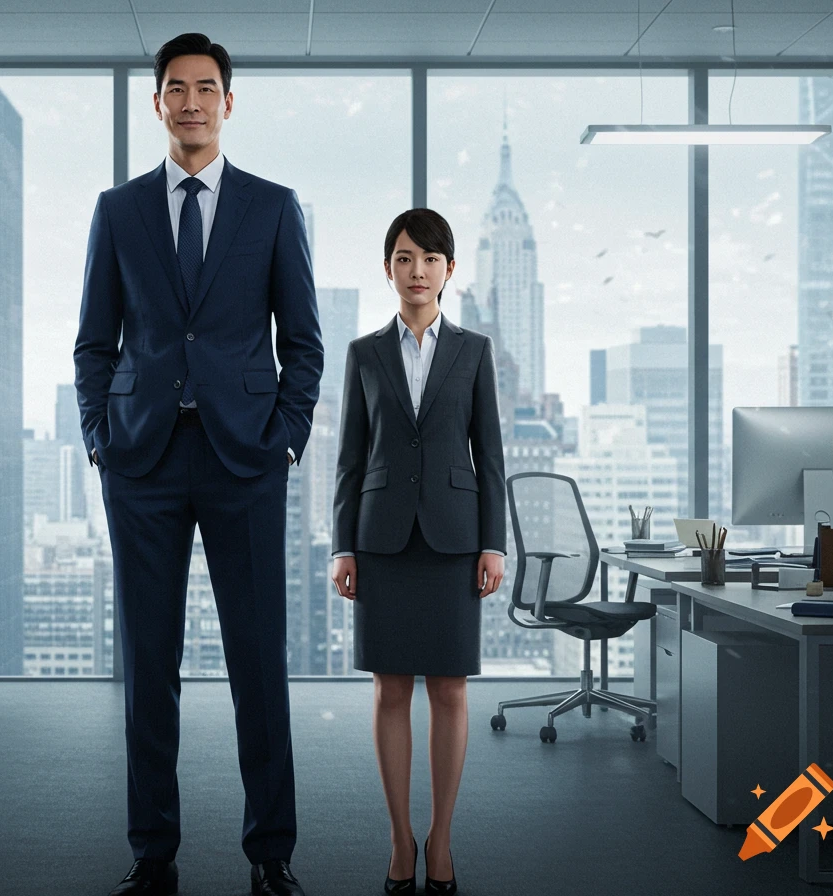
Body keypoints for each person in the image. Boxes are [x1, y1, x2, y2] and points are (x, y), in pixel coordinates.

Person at [74, 32, 322, 896]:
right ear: (157, 104)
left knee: (259, 659)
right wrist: (100, 439)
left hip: (244, 459)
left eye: (205, 87)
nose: (190, 101)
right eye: (175, 88)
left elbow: (304, 345)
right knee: (150, 665)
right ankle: (152, 854)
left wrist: (285, 437)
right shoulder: (119, 210)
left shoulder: (272, 206)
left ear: (228, 101)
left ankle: (271, 854)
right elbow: (92, 344)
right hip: (141, 459)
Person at [330, 208, 506, 895]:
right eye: (404, 258)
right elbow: (349, 457)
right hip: (381, 539)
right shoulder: (363, 354)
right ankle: (401, 837)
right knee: (390, 689)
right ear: (388, 269)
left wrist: (493, 542)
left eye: (430, 258)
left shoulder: (475, 351)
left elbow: (488, 454)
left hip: (455, 538)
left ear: (450, 270)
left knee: (452, 689)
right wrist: (343, 545)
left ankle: (443, 838)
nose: (417, 271)